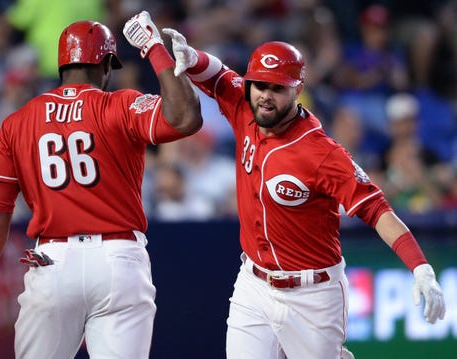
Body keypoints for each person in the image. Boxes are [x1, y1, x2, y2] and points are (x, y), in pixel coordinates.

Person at [159, 28, 446, 359]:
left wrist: (420, 268)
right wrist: (193, 58)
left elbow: (377, 210)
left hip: (314, 296)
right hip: (254, 283)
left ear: (298, 90)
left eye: (278, 88)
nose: (265, 95)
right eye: (260, 85)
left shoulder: (322, 153)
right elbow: (220, 77)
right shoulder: (244, 104)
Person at [0, 11, 202, 358]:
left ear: (63, 67)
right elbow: (185, 117)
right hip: (119, 261)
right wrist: (153, 47)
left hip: (53, 262)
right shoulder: (118, 105)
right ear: (105, 65)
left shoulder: (18, 121)